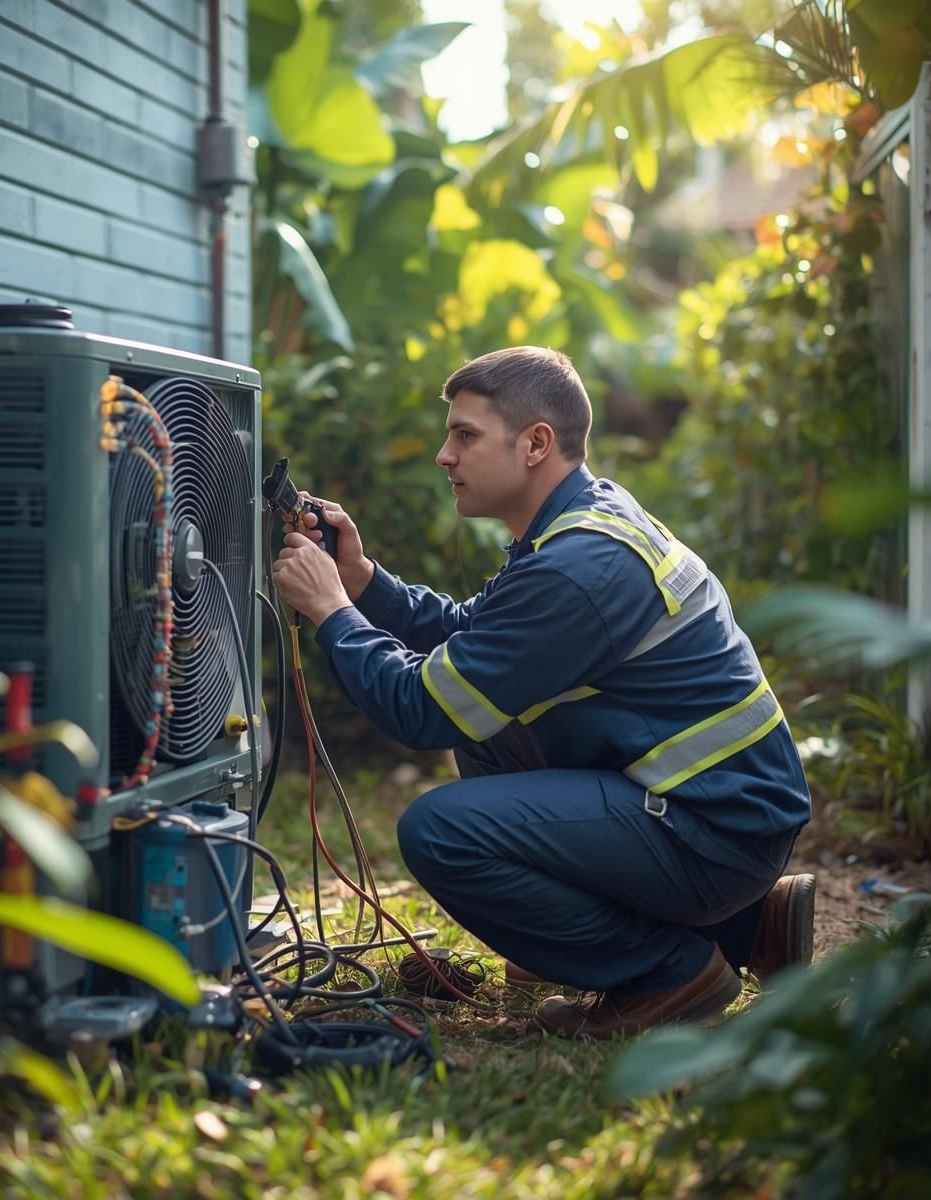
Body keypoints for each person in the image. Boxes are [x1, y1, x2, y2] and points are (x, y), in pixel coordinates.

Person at [270, 346, 815, 1039]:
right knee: (490, 724)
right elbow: (479, 642)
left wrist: (331, 612)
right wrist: (364, 582)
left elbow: (422, 708)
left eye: (464, 435)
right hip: (720, 810)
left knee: (440, 833)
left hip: (714, 832)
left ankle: (668, 973)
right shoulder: (579, 520)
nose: (445, 455)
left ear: (535, 444)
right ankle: (748, 925)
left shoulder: (579, 567)